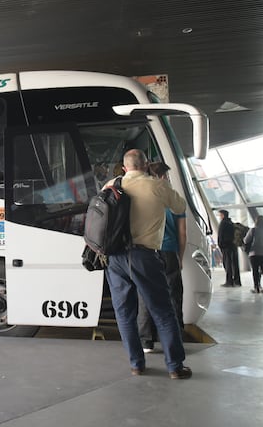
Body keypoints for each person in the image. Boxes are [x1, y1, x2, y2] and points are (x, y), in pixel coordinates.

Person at [104, 149, 192, 380]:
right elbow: (180, 207)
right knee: (163, 311)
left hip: (114, 258)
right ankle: (175, 366)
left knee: (124, 313)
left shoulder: (111, 184)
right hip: (145, 256)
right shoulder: (157, 186)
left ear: (125, 168)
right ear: (145, 165)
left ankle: (136, 364)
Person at [137, 162, 186, 353]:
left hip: (147, 251)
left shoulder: (143, 196)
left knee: (145, 294)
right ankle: (175, 338)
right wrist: (180, 257)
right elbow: (182, 234)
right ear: (163, 176)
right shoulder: (174, 199)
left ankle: (146, 340)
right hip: (169, 252)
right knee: (173, 295)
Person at [243, 215, 263, 293]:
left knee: (255, 270)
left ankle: (256, 287)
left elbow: (246, 240)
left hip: (254, 253)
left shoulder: (253, 230)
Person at [217, 209, 241, 287]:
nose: (219, 216)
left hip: (226, 246)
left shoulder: (223, 223)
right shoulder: (231, 223)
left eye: (220, 215)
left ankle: (229, 281)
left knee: (227, 264)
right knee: (234, 263)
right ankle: (237, 281)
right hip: (233, 245)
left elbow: (220, 235)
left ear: (223, 215)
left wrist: (220, 245)